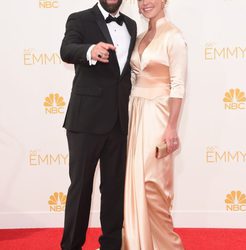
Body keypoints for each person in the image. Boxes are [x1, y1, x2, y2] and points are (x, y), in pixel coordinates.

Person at [60, 0, 137, 249]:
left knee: (114, 190)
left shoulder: (132, 26)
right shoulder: (79, 18)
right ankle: (71, 246)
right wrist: (90, 50)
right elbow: (67, 49)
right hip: (85, 121)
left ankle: (111, 245)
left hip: (118, 122)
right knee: (81, 189)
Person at [123, 0, 187, 249]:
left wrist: (172, 126)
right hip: (135, 111)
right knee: (134, 178)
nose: (145, 3)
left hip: (158, 114)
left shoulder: (174, 37)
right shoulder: (139, 37)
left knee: (153, 183)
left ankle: (166, 245)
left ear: (164, 1)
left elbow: (178, 85)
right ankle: (136, 240)